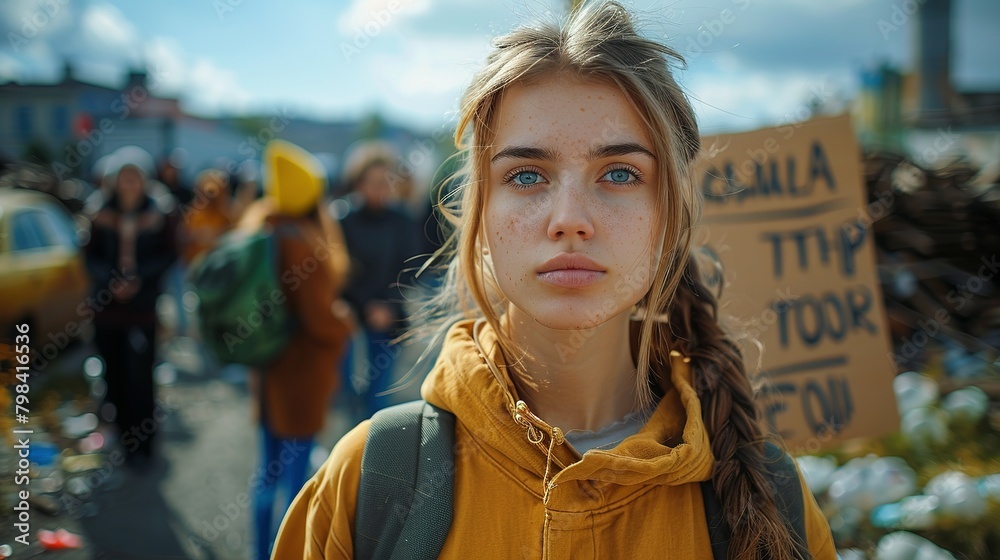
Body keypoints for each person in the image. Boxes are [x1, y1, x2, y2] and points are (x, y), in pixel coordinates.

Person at [272, 2, 835, 559]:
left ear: (670, 215)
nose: (569, 219)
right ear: (480, 217)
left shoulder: (771, 497)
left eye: (620, 173)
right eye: (526, 176)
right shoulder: (367, 483)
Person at [238, 140, 353, 560]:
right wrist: (346, 323)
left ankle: (259, 550)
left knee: (266, 471)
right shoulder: (302, 242)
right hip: (301, 374)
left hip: (267, 368)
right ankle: (286, 552)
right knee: (297, 478)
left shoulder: (261, 226)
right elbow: (319, 318)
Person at [84, 147, 176, 466]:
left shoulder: (159, 212)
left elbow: (169, 254)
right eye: (124, 176)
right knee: (114, 377)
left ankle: (144, 446)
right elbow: (90, 256)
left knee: (140, 378)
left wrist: (140, 280)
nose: (129, 183)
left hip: (142, 311)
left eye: (135, 176)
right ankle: (125, 443)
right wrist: (112, 281)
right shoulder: (99, 212)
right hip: (107, 312)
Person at [338, 143, 421, 418]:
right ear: (358, 182)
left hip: (388, 318)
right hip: (349, 315)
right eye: (372, 183)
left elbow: (410, 269)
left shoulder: (401, 220)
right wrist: (365, 305)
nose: (379, 189)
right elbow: (339, 270)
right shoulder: (343, 219)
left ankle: (372, 440)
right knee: (346, 393)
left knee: (379, 395)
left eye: (385, 182)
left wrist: (387, 305)